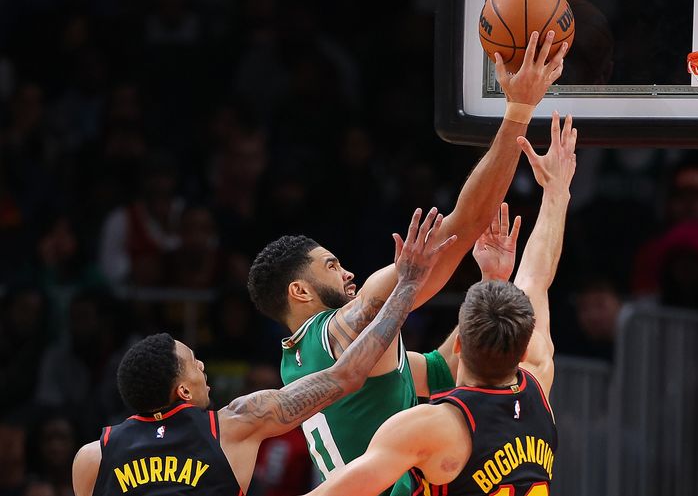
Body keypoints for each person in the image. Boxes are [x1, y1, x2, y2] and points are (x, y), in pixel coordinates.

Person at [247, 32, 568, 493]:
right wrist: (518, 111)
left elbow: (453, 365)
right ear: (299, 291)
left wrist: (491, 283)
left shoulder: (302, 360)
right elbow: (466, 223)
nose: (349, 272)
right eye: (331, 266)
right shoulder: (340, 329)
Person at [71, 207, 455, 496]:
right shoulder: (234, 424)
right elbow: (347, 375)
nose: (202, 364)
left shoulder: (93, 457)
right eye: (192, 363)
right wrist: (407, 285)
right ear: (183, 392)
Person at [302, 113, 577, 496]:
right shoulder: (538, 378)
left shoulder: (432, 427)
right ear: (524, 345)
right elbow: (536, 278)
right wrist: (557, 192)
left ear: (459, 344)